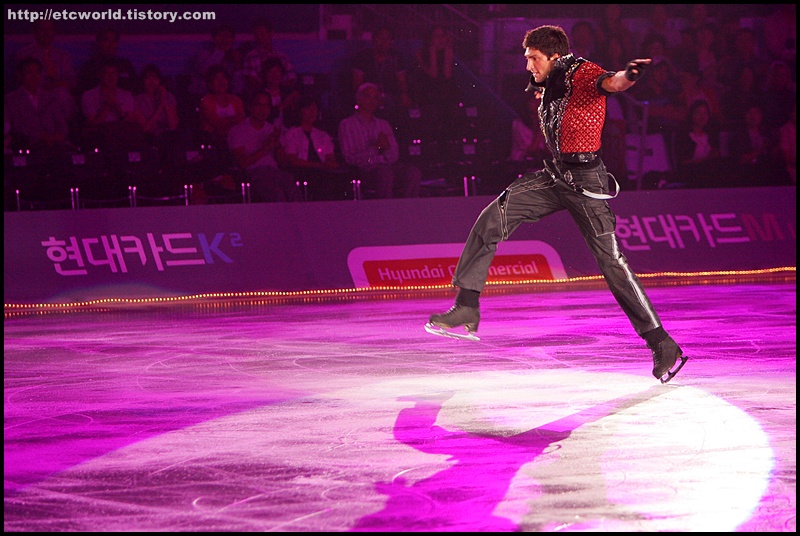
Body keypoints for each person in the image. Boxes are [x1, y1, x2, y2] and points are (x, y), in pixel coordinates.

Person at [426, 25, 687, 384]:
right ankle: (467, 304)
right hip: (555, 177)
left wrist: (630, 75)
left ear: (553, 56)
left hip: (587, 182)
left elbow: (612, 83)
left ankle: (661, 342)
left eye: (533, 58)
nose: (528, 65)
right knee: (494, 216)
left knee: (611, 262)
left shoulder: (583, 72)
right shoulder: (548, 81)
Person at [337, 83, 421, 199]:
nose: (372, 101)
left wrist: (383, 154)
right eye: (368, 96)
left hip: (385, 166)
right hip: (363, 171)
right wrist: (376, 149)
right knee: (384, 173)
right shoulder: (347, 125)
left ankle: (408, 208)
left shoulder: (383, 124)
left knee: (413, 172)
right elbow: (350, 158)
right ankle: (384, 210)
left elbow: (394, 154)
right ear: (358, 99)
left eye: (375, 97)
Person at [227, 91, 300, 203]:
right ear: (250, 107)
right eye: (259, 105)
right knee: (277, 193)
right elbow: (242, 162)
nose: (263, 109)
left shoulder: (272, 129)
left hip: (275, 171)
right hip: (254, 173)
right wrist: (267, 147)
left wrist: (277, 146)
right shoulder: (238, 130)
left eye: (266, 106)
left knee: (290, 184)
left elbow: (284, 163)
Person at [281, 93, 351, 201]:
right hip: (302, 172)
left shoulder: (322, 135)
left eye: (314, 108)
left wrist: (329, 164)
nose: (312, 112)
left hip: (323, 172)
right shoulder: (292, 133)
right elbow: (292, 160)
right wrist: (318, 165)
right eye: (308, 108)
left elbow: (330, 157)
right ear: (300, 111)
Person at [350, 26, 412, 125]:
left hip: (390, 96)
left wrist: (404, 94)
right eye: (380, 38)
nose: (383, 42)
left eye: (387, 38)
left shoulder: (396, 57)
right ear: (374, 39)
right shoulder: (363, 57)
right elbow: (357, 84)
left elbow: (402, 81)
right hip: (369, 95)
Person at [77, 27, 138, 95]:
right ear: (99, 43)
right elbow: (84, 90)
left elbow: (135, 88)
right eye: (106, 40)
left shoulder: (125, 65)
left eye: (114, 40)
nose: (110, 44)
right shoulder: (90, 66)